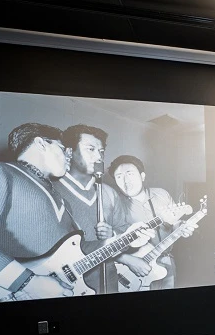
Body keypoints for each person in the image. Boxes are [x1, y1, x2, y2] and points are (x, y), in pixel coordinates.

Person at [0, 123, 81, 301]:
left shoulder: (63, 201)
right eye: (63, 149)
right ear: (41, 144)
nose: (68, 157)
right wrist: (29, 283)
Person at [56, 124, 130, 294]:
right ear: (69, 152)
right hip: (65, 286)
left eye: (101, 151)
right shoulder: (51, 189)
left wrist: (112, 235)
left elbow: (125, 234)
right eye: (91, 149)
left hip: (108, 281)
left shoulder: (110, 193)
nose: (98, 157)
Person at [109, 155, 197, 290]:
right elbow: (105, 244)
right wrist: (128, 260)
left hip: (167, 261)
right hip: (133, 269)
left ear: (142, 176)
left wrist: (183, 228)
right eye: (119, 177)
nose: (126, 181)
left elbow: (175, 223)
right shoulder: (114, 204)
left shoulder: (162, 194)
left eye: (130, 174)